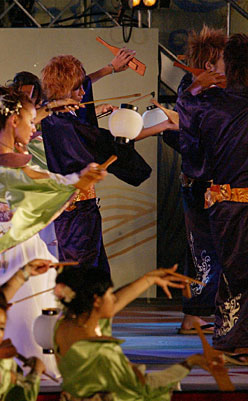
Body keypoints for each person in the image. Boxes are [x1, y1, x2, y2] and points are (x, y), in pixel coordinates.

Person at [0, 85, 106, 374]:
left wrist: (75, 180)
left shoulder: (6, 149)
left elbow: (38, 178)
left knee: (37, 309)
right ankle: (14, 368)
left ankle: (30, 368)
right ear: (14, 120)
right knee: (17, 312)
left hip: (21, 238)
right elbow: (34, 184)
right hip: (7, 243)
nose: (34, 127)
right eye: (30, 122)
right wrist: (76, 181)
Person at [40, 55, 177, 274]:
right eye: (77, 89)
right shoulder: (66, 125)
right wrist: (164, 126)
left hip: (72, 209)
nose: (83, 92)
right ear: (64, 90)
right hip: (76, 211)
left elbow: (82, 95)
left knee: (89, 269)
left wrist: (110, 68)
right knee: (84, 272)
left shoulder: (52, 115)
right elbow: (111, 142)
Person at [177, 33, 248, 353]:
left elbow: (194, 156)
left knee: (234, 272)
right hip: (229, 203)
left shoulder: (210, 105)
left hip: (227, 203)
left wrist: (194, 88)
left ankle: (234, 338)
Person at [54, 265, 221, 400]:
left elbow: (116, 303)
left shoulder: (65, 325)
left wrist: (150, 278)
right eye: (110, 294)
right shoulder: (102, 352)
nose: (114, 298)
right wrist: (190, 363)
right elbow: (145, 387)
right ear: (96, 301)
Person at [164, 26, 226, 335]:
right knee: (204, 251)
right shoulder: (191, 91)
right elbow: (188, 128)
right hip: (202, 182)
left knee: (212, 250)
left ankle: (203, 314)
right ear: (210, 63)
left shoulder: (216, 90)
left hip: (213, 180)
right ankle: (196, 315)